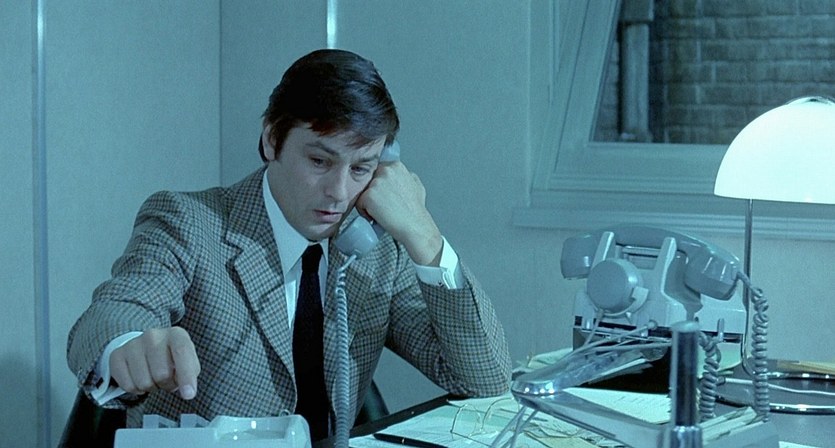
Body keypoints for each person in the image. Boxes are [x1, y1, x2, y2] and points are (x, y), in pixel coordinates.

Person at [66, 48, 511, 441]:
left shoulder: (377, 250)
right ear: (271, 140)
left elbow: (484, 378)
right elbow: (116, 310)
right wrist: (128, 345)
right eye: (319, 160)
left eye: (361, 168)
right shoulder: (188, 222)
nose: (338, 192)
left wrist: (424, 234)